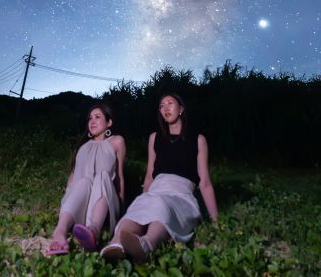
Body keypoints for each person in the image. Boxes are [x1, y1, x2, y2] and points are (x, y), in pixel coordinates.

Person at [100, 93, 218, 264]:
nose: (165, 108)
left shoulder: (198, 140)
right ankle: (116, 244)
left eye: (170, 103)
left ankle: (146, 245)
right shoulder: (154, 138)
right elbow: (149, 176)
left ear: (181, 109)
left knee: (162, 208)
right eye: (162, 106)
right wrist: (143, 198)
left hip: (180, 194)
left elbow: (205, 183)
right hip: (157, 189)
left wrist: (216, 221)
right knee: (137, 211)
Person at [47, 103, 126, 255]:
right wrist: (67, 202)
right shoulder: (83, 147)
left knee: (102, 176)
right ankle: (60, 232)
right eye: (90, 118)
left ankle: (94, 231)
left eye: (98, 117)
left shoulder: (116, 142)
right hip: (81, 206)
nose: (92, 121)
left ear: (109, 123)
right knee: (83, 182)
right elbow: (73, 177)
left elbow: (119, 177)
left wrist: (122, 209)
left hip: (104, 205)